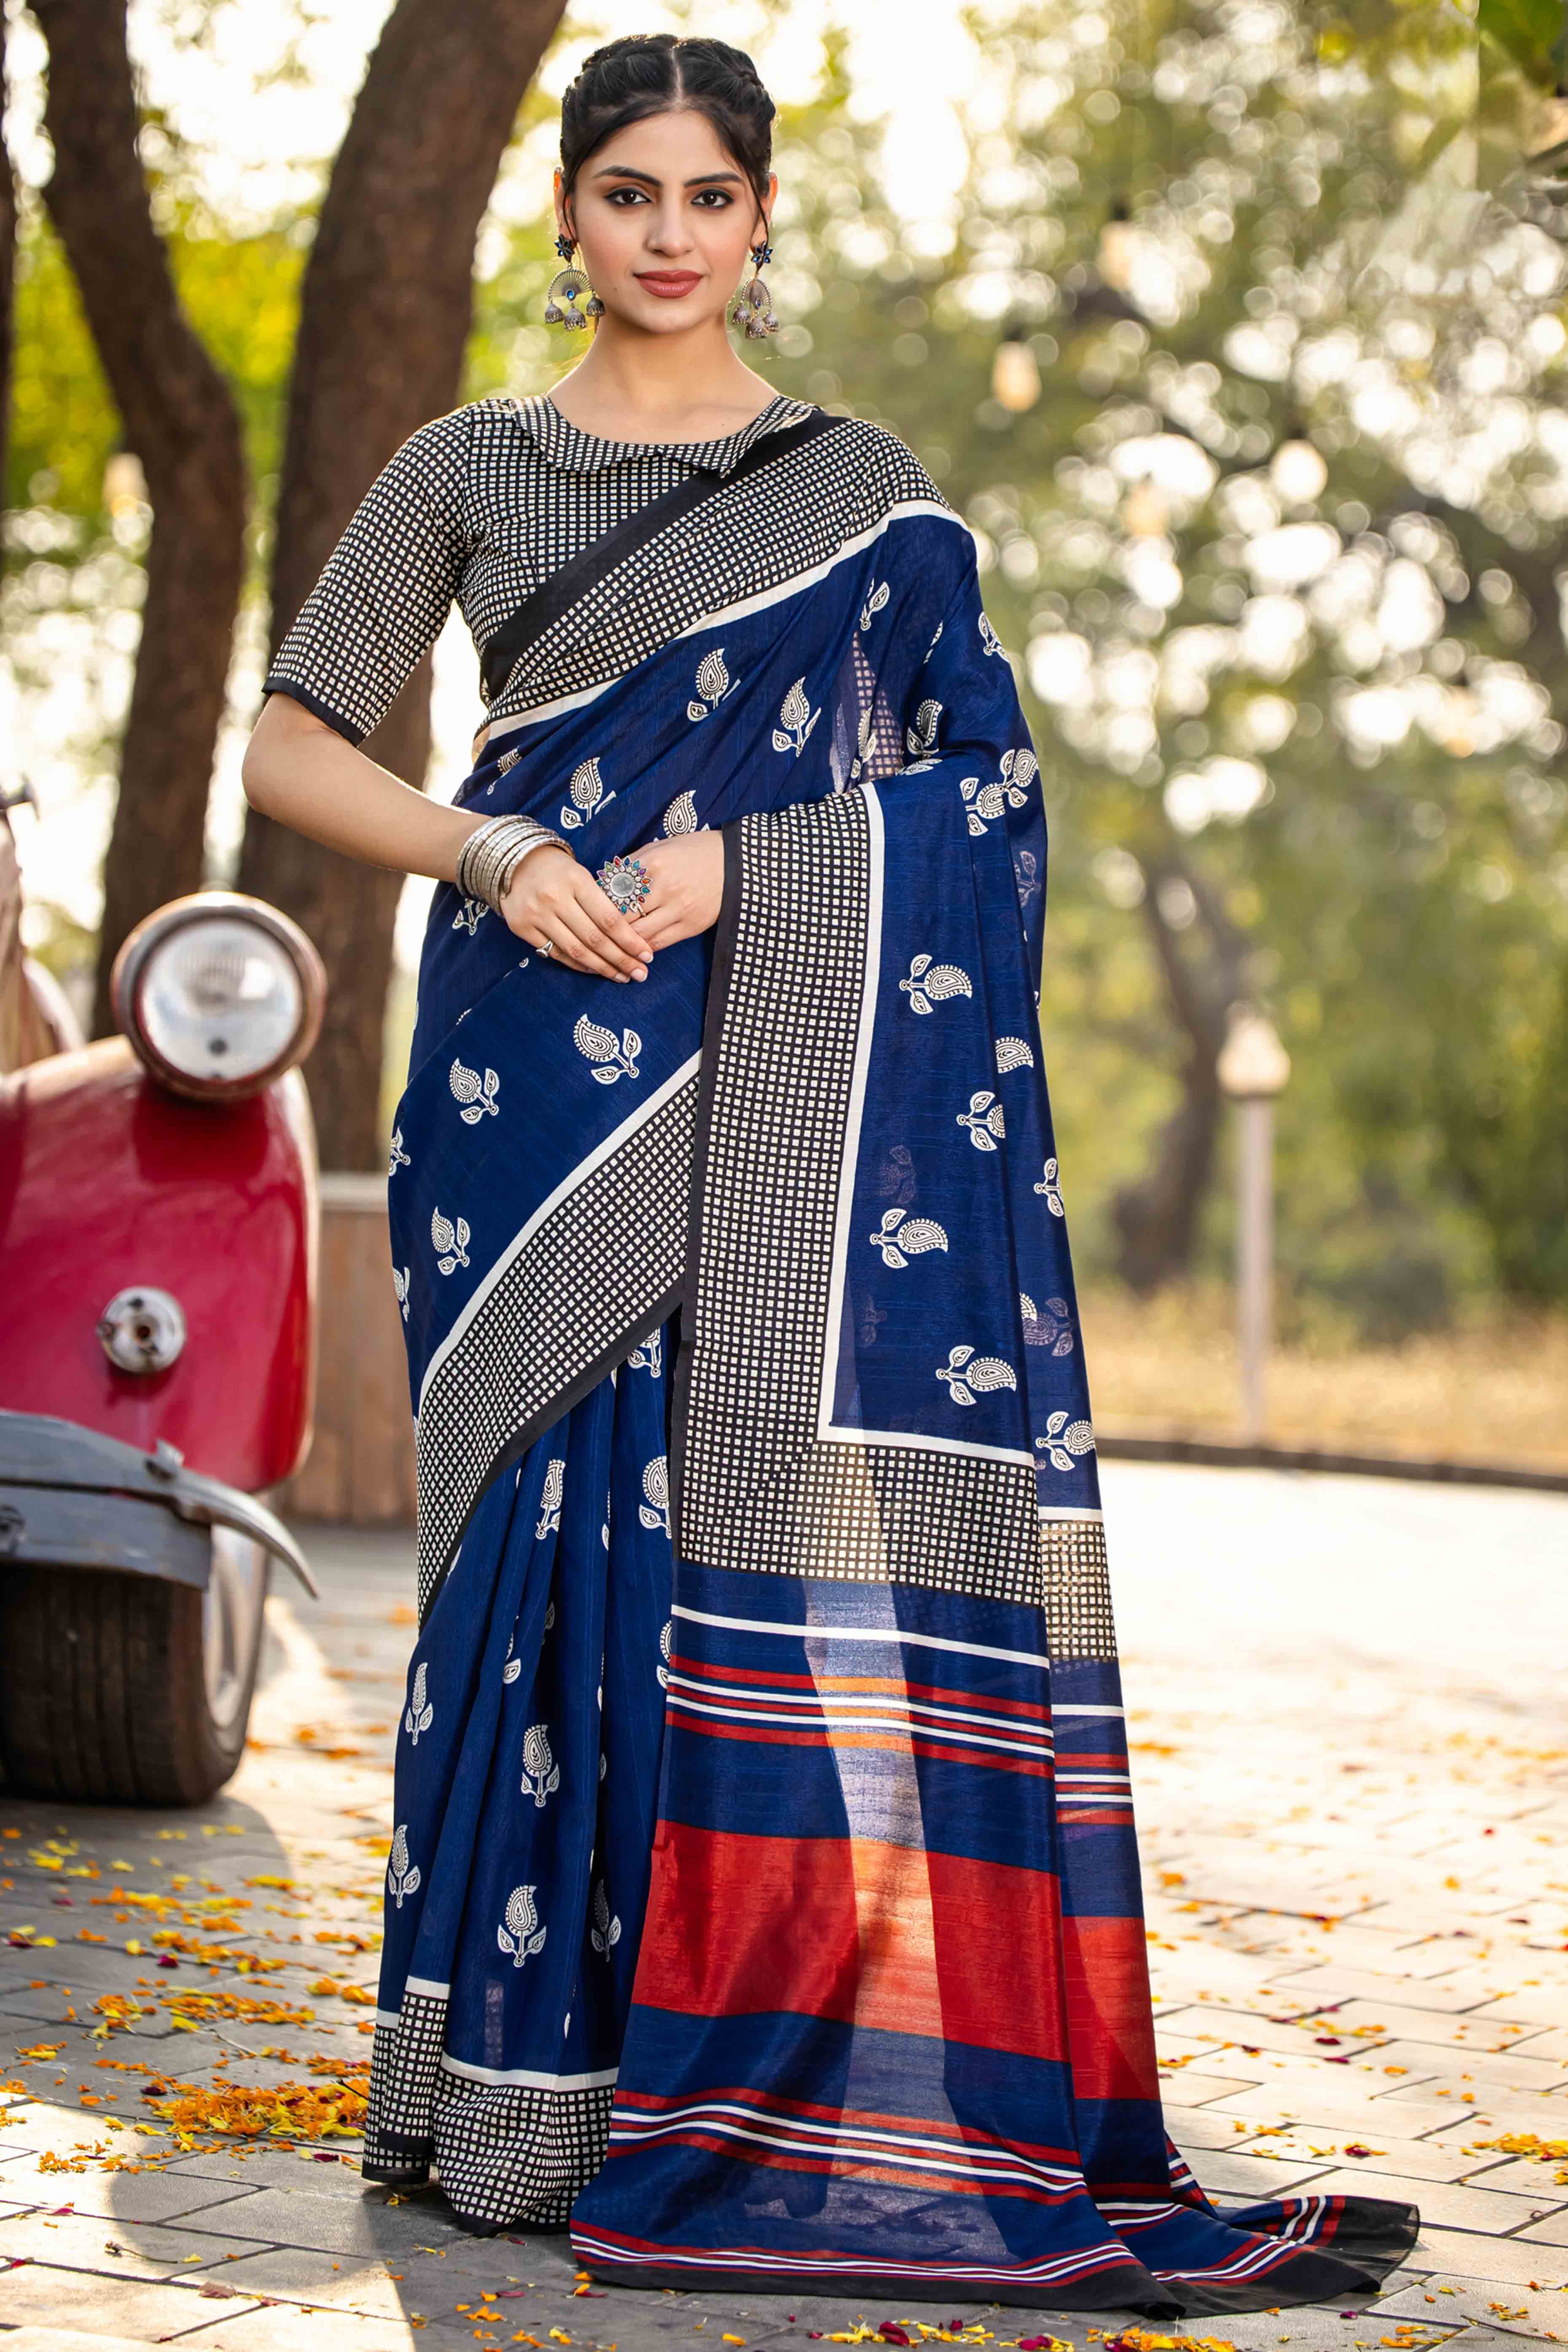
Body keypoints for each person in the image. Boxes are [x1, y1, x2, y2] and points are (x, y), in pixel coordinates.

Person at [242, 30, 1417, 2314]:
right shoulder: (469, 463)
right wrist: (490, 845)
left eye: (706, 196)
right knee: (528, 1551)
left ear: (761, 219)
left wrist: (740, 867)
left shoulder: (870, 496)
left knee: (711, 1542)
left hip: (780, 1066)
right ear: (563, 217)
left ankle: (724, 2081)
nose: (666, 235)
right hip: (524, 1071)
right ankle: (497, 2089)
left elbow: (983, 800)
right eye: (625, 195)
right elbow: (295, 738)